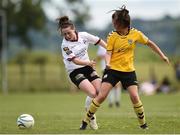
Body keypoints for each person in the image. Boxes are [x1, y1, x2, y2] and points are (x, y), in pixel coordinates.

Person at [80, 5, 170, 130]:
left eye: (114, 22)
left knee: (134, 96)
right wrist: (108, 63)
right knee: (101, 96)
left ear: (122, 23)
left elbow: (150, 43)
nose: (113, 24)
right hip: (112, 70)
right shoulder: (112, 35)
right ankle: (85, 121)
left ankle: (143, 125)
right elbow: (108, 52)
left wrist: (163, 56)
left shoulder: (135, 34)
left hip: (128, 71)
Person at [57, 16, 107, 130]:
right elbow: (74, 60)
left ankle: (87, 112)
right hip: (74, 71)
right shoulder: (65, 45)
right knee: (93, 94)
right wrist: (88, 63)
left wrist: (110, 49)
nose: (67, 36)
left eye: (68, 33)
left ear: (74, 29)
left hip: (87, 67)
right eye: (64, 34)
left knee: (101, 93)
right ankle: (91, 118)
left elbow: (98, 41)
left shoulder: (84, 35)